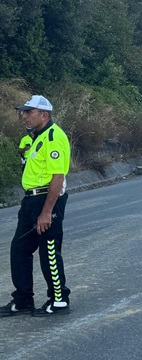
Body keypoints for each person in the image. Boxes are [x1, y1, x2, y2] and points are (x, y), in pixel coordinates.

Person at [0, 95, 71, 317]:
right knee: (19, 248)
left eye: (29, 112)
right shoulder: (35, 137)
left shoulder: (54, 137)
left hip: (47, 199)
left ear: (44, 115)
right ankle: (23, 299)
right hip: (30, 200)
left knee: (49, 250)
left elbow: (58, 177)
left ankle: (59, 299)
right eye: (23, 112)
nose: (24, 116)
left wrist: (47, 212)